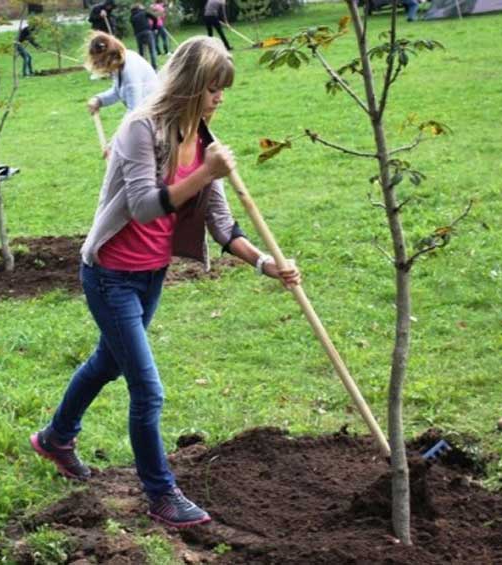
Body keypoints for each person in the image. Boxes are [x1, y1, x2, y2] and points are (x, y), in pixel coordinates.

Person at [30, 35, 301, 528]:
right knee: (147, 391)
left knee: (105, 363)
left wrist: (266, 264)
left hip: (151, 275)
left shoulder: (203, 141)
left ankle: (54, 438)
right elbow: (143, 205)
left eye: (224, 90)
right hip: (110, 274)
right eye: (214, 88)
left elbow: (223, 226)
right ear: (192, 85)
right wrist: (205, 174)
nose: (220, 98)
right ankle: (161, 494)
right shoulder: (139, 129)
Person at [85, 31, 158, 158]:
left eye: (101, 63)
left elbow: (134, 112)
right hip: (144, 120)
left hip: (155, 122)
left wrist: (114, 144)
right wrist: (99, 100)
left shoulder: (130, 70)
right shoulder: (122, 63)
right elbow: (117, 91)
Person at [129, 3, 158, 69]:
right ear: (139, 7)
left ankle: (142, 67)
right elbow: (154, 18)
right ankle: (154, 67)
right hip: (147, 32)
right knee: (152, 50)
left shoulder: (131, 17)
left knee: (141, 52)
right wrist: (154, 27)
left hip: (138, 34)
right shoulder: (144, 12)